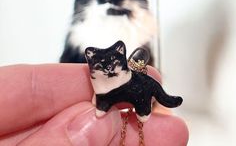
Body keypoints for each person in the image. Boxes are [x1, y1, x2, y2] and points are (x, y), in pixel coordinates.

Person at [0, 64, 188, 145]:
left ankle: (144, 110)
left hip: (142, 93)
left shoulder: (126, 79)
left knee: (141, 108)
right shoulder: (101, 83)